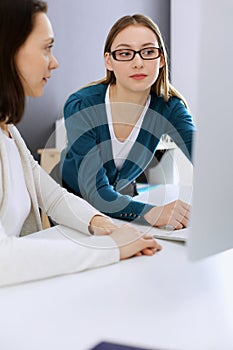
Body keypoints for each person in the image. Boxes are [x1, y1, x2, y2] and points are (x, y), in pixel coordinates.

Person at [0, 1, 161, 288]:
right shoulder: (84, 105)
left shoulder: (9, 131)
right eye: (47, 47)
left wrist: (108, 228)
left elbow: (54, 198)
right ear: (8, 50)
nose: (55, 61)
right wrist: (110, 248)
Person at [61, 14, 195, 230]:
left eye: (148, 52)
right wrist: (153, 212)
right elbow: (96, 193)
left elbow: (208, 162)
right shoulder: (81, 105)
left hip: (119, 209)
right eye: (125, 53)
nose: (138, 63)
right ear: (109, 61)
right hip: (71, 207)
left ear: (161, 59)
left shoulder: (170, 107)